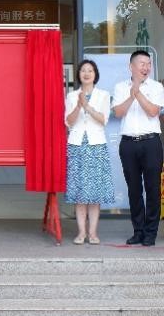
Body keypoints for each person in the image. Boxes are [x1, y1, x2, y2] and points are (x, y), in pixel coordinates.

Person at [112, 50, 164, 246]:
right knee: (134, 189)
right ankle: (138, 231)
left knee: (153, 189)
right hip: (128, 144)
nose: (146, 67)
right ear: (131, 66)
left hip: (151, 143)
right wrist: (131, 96)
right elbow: (118, 112)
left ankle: (150, 233)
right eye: (142, 63)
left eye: (148, 64)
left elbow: (153, 111)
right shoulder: (120, 87)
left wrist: (139, 93)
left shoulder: (157, 86)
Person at [65, 59, 115, 245]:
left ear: (95, 75)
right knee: (80, 192)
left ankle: (93, 233)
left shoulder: (103, 95)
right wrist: (79, 106)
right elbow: (68, 122)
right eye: (83, 70)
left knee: (94, 193)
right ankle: (81, 233)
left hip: (96, 146)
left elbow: (103, 120)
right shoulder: (72, 96)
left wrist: (88, 107)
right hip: (77, 145)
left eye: (90, 70)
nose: (86, 73)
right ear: (79, 75)